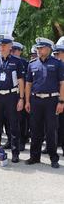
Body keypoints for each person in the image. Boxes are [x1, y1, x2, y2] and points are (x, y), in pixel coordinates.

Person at [25, 37, 64, 168]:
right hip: (35, 100)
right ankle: (34, 156)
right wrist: (27, 101)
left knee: (51, 129)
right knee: (35, 129)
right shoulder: (32, 64)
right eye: (37, 48)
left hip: (52, 101)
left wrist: (61, 101)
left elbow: (62, 84)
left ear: (48, 49)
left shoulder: (58, 64)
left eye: (41, 48)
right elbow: (28, 84)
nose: (38, 50)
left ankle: (54, 158)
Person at [0, 35, 25, 163]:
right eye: (0, 45)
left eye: (4, 45)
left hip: (11, 96)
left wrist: (21, 98)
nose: (1, 48)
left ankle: (15, 152)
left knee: (14, 125)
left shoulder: (17, 62)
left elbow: (21, 81)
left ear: (9, 47)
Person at [11, 41, 30, 151]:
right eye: (11, 50)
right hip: (10, 94)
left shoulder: (24, 62)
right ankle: (11, 140)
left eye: (15, 50)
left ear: (20, 51)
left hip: (20, 94)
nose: (12, 52)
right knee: (9, 119)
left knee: (22, 119)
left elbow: (27, 81)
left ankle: (22, 141)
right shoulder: (7, 61)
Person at [53, 43, 64, 156]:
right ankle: (53, 146)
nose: (56, 56)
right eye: (55, 54)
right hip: (55, 99)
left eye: (58, 53)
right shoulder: (55, 66)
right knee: (54, 125)